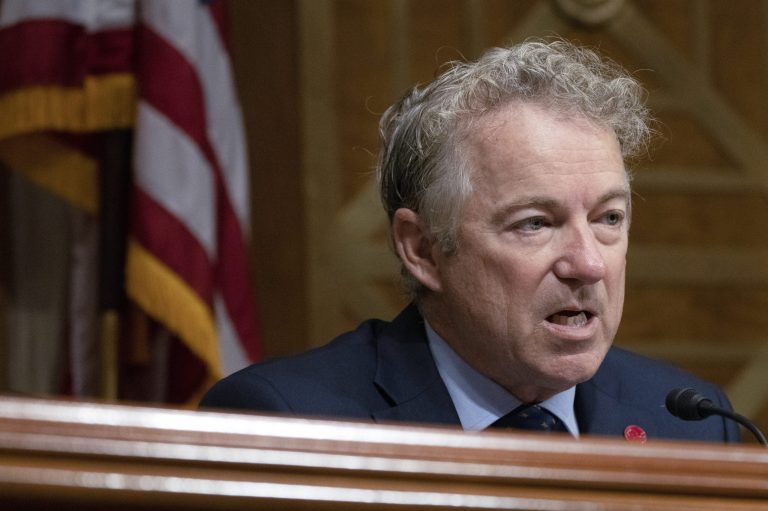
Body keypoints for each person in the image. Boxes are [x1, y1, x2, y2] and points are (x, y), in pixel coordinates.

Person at [201, 39, 740, 442]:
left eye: (609, 218)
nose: (588, 264)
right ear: (423, 249)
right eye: (535, 223)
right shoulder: (287, 424)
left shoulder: (688, 422)